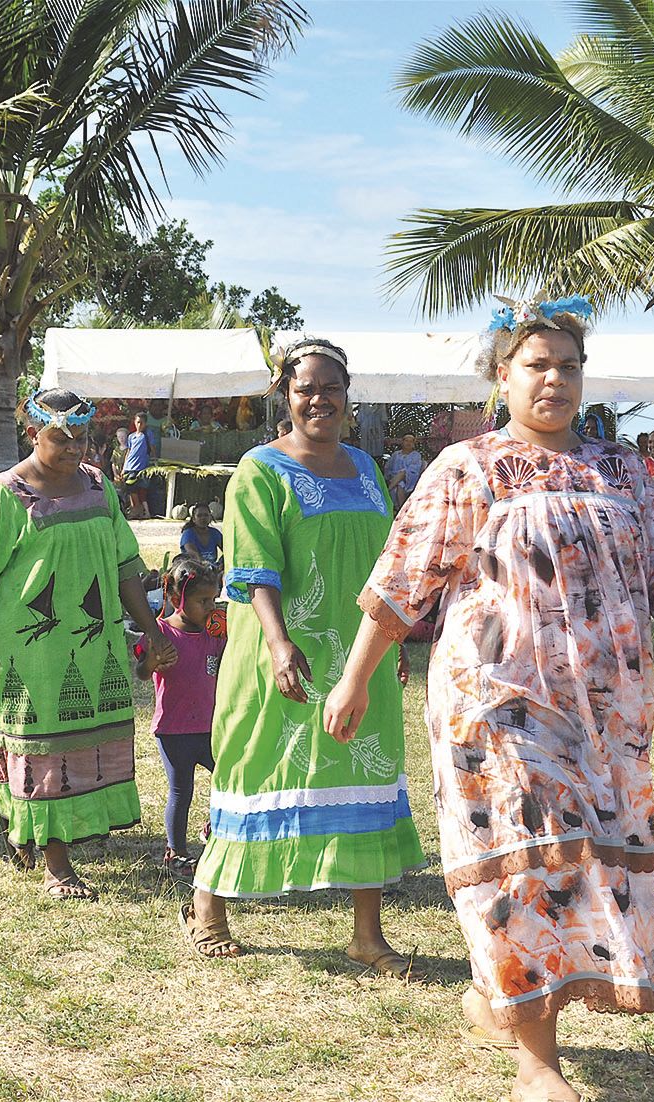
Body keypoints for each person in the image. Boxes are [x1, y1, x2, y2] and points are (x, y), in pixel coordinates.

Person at [325, 295, 654, 1102]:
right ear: (500, 376)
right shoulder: (468, 467)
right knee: (519, 872)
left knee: (579, 868)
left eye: (568, 366)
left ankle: (497, 994)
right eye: (536, 365)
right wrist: (355, 677)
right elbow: (403, 581)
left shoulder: (621, 471)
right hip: (495, 706)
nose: (554, 380)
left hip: (604, 714)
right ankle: (537, 1064)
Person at [183, 338, 425, 969]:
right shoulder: (259, 469)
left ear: (349, 396)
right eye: (305, 388)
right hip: (281, 651)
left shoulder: (369, 469)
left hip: (358, 657)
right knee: (257, 765)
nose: (319, 399)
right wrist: (278, 642)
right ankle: (208, 903)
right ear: (283, 396)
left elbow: (387, 563)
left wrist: (388, 642)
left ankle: (367, 933)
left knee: (364, 769)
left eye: (331, 388)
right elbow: (254, 568)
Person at [0, 388, 177, 900]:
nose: (74, 447)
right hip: (27, 649)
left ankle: (29, 826)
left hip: (93, 644)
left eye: (81, 437)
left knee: (83, 738)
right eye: (60, 437)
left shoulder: (99, 487)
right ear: (33, 434)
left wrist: (153, 629)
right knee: (42, 745)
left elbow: (125, 567)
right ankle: (57, 865)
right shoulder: (2, 494)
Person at [137, 558, 225, 879]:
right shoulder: (160, 633)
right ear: (176, 600)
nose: (210, 607)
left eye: (214, 599)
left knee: (228, 775)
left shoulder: (214, 633)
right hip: (174, 731)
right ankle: (177, 853)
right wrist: (152, 662)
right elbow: (141, 672)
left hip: (210, 728)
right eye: (203, 601)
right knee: (181, 790)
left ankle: (214, 826)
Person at [122, 412, 154, 520]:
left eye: (142, 423)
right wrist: (124, 467)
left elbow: (152, 448)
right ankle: (135, 509)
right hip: (129, 466)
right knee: (130, 490)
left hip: (140, 467)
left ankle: (139, 509)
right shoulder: (131, 436)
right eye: (137, 422)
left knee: (137, 489)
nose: (139, 425)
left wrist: (154, 461)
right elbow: (129, 451)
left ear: (145, 423)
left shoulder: (147, 434)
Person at [384, 433, 424, 509]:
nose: (408, 443)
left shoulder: (416, 455)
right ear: (402, 442)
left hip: (410, 478)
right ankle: (401, 509)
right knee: (400, 483)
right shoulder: (396, 454)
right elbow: (388, 467)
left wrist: (403, 473)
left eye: (411, 441)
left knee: (403, 473)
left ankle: (386, 491)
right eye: (406, 440)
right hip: (394, 478)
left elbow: (415, 469)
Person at [178, 502, 223, 568]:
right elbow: (193, 554)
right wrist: (206, 567)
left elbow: (227, 550)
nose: (203, 518)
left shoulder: (215, 533)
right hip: (193, 569)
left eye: (206, 515)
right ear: (193, 519)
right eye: (199, 515)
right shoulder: (188, 534)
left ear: (210, 517)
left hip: (212, 568)